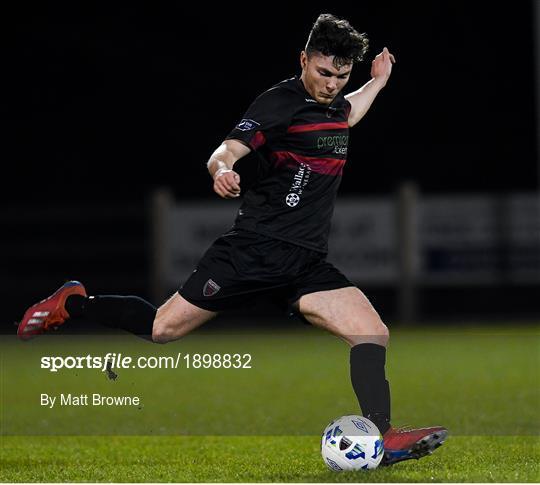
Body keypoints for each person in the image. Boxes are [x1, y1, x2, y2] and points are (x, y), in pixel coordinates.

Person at [18, 13, 447, 465]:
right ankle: (73, 303)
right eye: (323, 73)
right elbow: (227, 149)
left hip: (304, 264)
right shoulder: (278, 103)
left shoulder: (334, 107)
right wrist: (222, 170)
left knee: (371, 332)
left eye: (341, 76)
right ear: (303, 60)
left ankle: (383, 439)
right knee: (162, 329)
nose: (331, 84)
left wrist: (377, 82)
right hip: (252, 251)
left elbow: (349, 113)